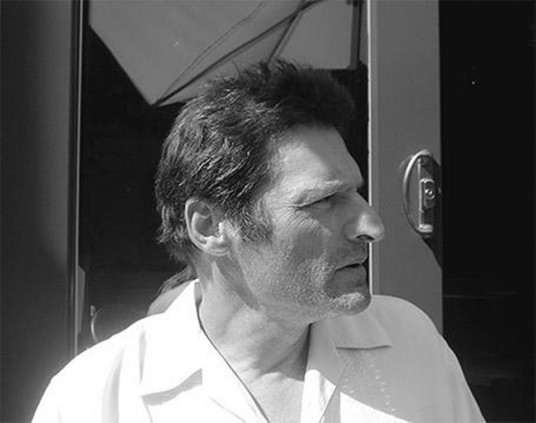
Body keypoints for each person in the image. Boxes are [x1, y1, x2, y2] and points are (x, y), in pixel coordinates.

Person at [32, 60, 484, 422]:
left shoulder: (408, 342)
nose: (372, 224)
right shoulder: (97, 397)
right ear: (210, 227)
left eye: (356, 192)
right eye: (324, 200)